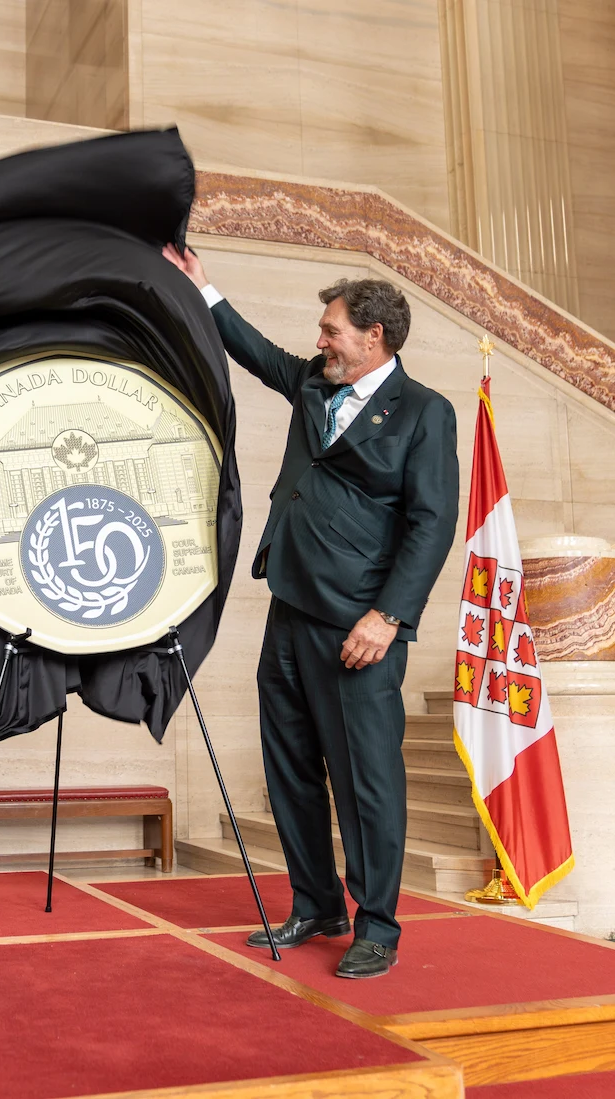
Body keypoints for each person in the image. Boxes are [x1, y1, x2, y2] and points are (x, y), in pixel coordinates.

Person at [163, 246, 459, 978]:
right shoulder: (315, 385)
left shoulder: (426, 413)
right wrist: (204, 290)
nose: (319, 340)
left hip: (360, 626)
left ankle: (377, 925)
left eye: (332, 330)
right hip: (289, 606)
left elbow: (432, 521)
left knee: (366, 779)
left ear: (374, 338)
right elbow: (259, 352)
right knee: (291, 764)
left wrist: (388, 617)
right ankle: (316, 902)